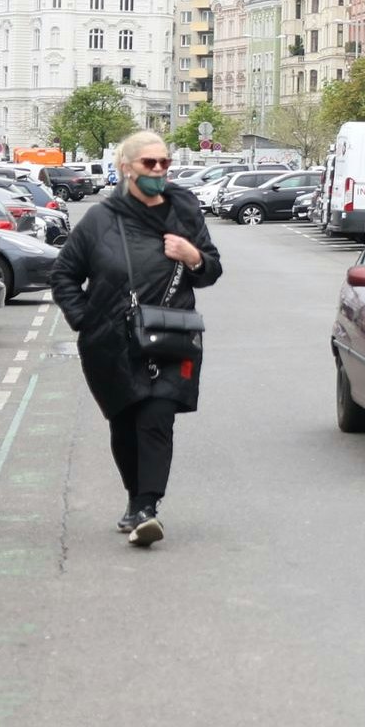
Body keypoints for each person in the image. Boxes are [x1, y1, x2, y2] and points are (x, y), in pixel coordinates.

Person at [52, 128, 222, 548]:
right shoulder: (100, 220)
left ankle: (148, 507)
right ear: (126, 168)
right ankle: (135, 498)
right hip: (110, 343)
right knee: (125, 422)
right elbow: (64, 275)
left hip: (172, 335)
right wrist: (86, 321)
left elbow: (212, 270)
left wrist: (193, 256)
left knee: (157, 416)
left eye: (165, 162)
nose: (160, 169)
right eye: (150, 163)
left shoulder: (184, 210)